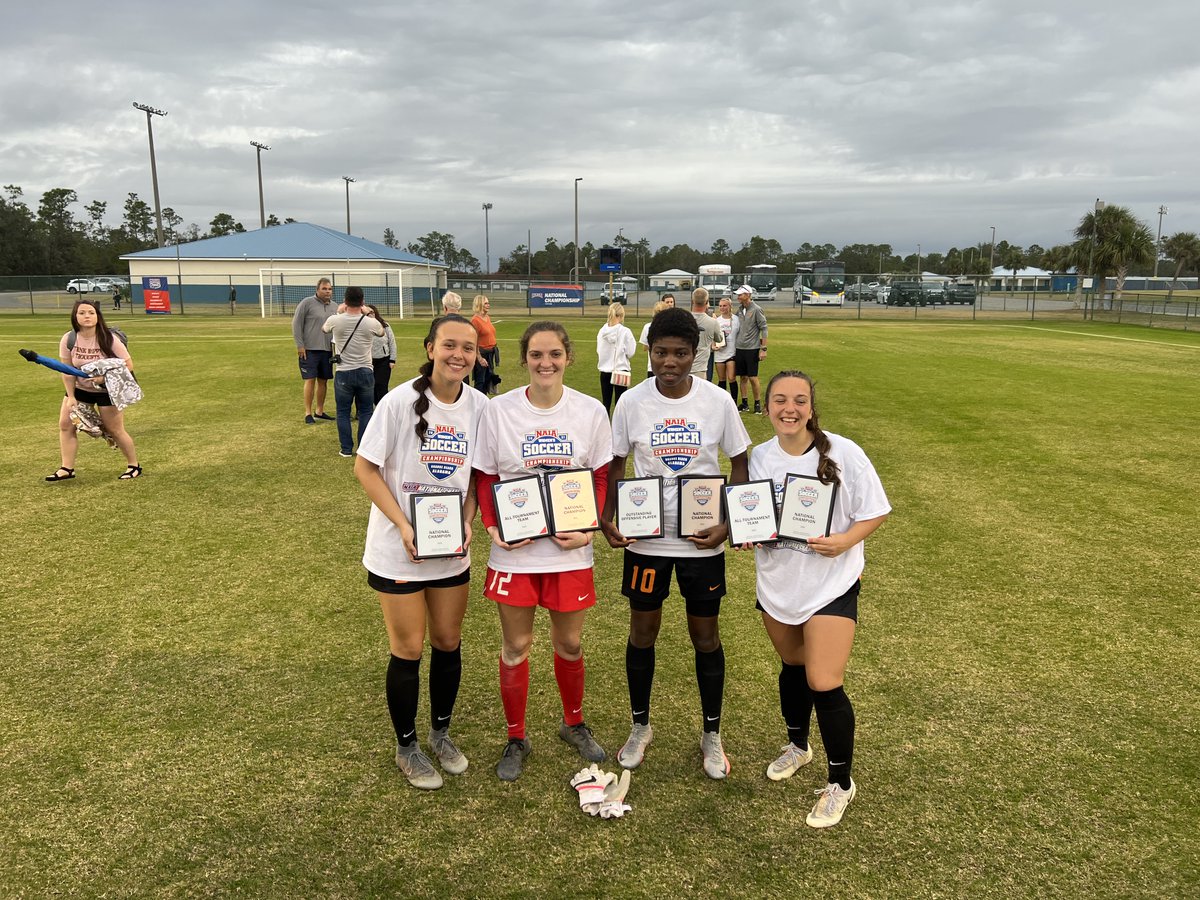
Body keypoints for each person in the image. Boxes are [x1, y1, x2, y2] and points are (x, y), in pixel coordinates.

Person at [600, 308, 751, 779]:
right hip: (646, 542)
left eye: (681, 353)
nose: (670, 361)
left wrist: (728, 523)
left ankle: (711, 733)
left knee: (705, 637)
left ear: (696, 353)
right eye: (662, 352)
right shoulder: (631, 402)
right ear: (650, 352)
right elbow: (616, 464)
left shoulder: (716, 401)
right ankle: (640, 726)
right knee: (642, 634)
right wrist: (607, 516)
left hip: (700, 544)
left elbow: (741, 462)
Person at [741, 370, 890, 827]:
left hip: (830, 583)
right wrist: (751, 536)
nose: (790, 408)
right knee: (792, 668)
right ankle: (798, 746)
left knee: (824, 680)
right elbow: (753, 515)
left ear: (811, 407)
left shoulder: (843, 452)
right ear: (766, 406)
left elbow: (876, 510)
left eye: (799, 400)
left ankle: (841, 783)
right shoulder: (758, 456)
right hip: (779, 583)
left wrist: (846, 541)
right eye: (780, 400)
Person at [473, 322, 613, 782]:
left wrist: (589, 528)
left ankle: (573, 723)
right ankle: (517, 736)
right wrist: (494, 526)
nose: (545, 362)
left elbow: (597, 476)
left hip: (569, 554)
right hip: (516, 554)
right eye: (536, 354)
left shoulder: (591, 412)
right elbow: (488, 477)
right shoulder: (499, 410)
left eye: (554, 353)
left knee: (569, 643)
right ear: (524, 358)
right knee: (515, 646)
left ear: (568, 357)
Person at [353, 313, 487, 791]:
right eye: (449, 345)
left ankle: (441, 733)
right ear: (430, 348)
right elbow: (365, 470)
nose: (459, 355)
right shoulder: (398, 403)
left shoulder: (480, 406)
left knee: (448, 643)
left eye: (468, 348)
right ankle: (407, 746)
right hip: (400, 551)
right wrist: (403, 524)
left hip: (450, 548)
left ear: (477, 355)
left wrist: (468, 519)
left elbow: (478, 477)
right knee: (408, 648)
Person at [46, 299, 141, 481]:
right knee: (65, 425)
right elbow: (66, 370)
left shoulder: (109, 338)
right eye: (82, 313)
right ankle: (67, 468)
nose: (86, 316)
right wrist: (71, 396)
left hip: (107, 390)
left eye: (91, 312)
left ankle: (134, 465)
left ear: (98, 316)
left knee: (115, 430)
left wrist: (104, 378)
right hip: (80, 388)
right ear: (75, 316)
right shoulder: (69, 338)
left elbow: (128, 365)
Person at [322, 286, 384, 457]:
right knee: (365, 411)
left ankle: (346, 448)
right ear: (362, 301)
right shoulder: (370, 322)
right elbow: (381, 332)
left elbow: (324, 329)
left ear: (345, 300)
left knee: (342, 411)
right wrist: (368, 313)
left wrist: (339, 310)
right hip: (365, 370)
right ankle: (363, 448)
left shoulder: (335, 319)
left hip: (343, 372)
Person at [292, 277, 336, 424]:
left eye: (329, 289)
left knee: (323, 381)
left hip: (327, 350)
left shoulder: (335, 307)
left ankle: (319, 411)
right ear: (317, 289)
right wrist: (300, 345)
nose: (327, 291)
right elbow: (296, 324)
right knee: (310, 380)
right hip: (309, 350)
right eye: (324, 288)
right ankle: (308, 413)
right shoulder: (306, 303)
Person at [733, 284, 769, 414]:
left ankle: (757, 403)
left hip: (752, 349)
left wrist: (763, 348)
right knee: (743, 377)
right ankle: (745, 403)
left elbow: (764, 328)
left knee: (753, 377)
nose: (738, 296)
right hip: (739, 348)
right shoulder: (740, 309)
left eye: (741, 294)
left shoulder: (756, 309)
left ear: (748, 295)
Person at [596, 301, 636, 413]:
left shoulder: (601, 331)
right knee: (620, 405)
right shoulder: (625, 332)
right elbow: (631, 352)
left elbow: (599, 350)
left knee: (606, 404)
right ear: (621, 315)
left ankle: (605, 428)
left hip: (604, 371)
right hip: (620, 371)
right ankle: (619, 429)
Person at [689, 288, 726, 381]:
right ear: (707, 302)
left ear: (693, 301)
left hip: (683, 367)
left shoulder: (683, 319)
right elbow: (719, 339)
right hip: (700, 368)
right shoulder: (713, 322)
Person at [470, 294, 500, 395]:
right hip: (481, 353)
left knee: (488, 379)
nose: (488, 305)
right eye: (486, 303)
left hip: (490, 353)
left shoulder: (487, 317)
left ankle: (485, 402)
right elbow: (473, 341)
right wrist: (479, 358)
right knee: (480, 381)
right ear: (479, 304)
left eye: (488, 303)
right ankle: (478, 403)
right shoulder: (475, 320)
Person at [367, 304, 397, 404]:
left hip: (383, 360)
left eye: (372, 312)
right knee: (368, 386)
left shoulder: (385, 325)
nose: (370, 314)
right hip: (367, 361)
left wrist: (392, 359)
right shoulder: (362, 326)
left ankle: (383, 407)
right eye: (368, 313)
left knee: (381, 385)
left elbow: (392, 342)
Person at [637, 299, 673, 379]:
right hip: (668, 366)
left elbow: (645, 347)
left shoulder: (647, 327)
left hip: (653, 367)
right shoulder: (672, 327)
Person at [714, 296, 739, 401]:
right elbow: (713, 336)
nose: (722, 308)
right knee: (722, 379)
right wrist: (713, 346)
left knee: (732, 378)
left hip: (732, 353)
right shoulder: (716, 321)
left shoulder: (736, 320)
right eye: (720, 306)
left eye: (724, 305)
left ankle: (734, 402)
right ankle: (722, 402)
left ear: (730, 306)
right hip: (719, 353)